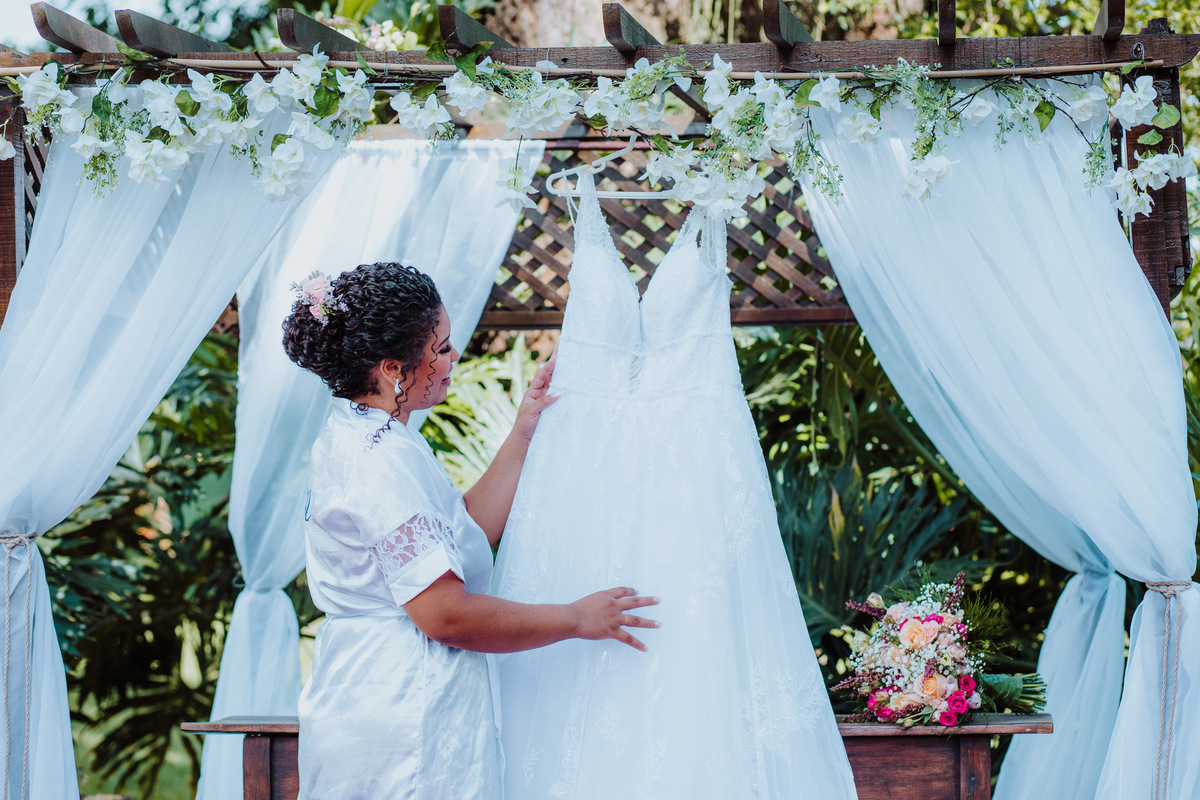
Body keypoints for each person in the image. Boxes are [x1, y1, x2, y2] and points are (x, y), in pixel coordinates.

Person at [281, 261, 659, 800]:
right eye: (440, 348)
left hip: (373, 688)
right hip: (403, 705)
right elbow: (445, 613)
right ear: (393, 368)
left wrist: (525, 429)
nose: (453, 356)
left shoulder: (369, 434)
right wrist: (576, 618)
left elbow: (462, 533)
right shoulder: (379, 462)